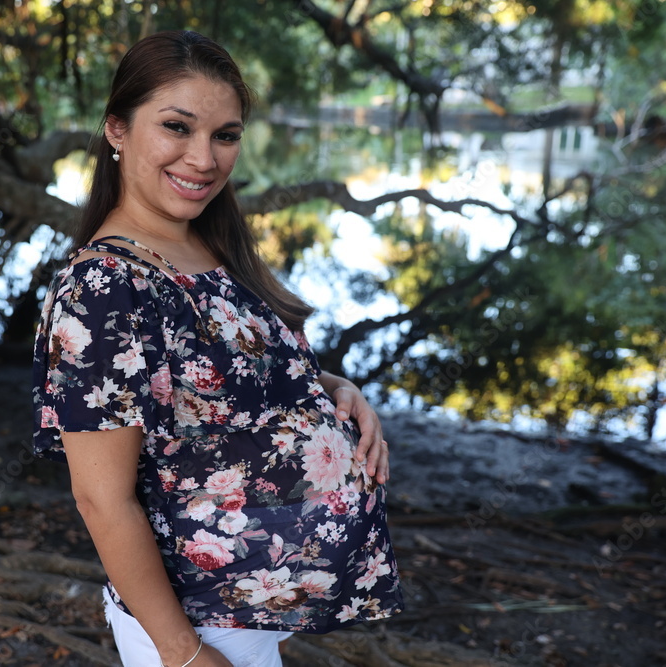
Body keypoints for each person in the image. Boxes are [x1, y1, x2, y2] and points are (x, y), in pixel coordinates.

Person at [32, 30, 403, 667]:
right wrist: (181, 653)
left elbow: (229, 379)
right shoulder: (103, 288)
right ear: (117, 129)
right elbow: (101, 497)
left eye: (224, 135)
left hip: (248, 611)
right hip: (194, 624)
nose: (203, 159)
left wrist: (334, 390)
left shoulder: (208, 246)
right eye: (177, 127)